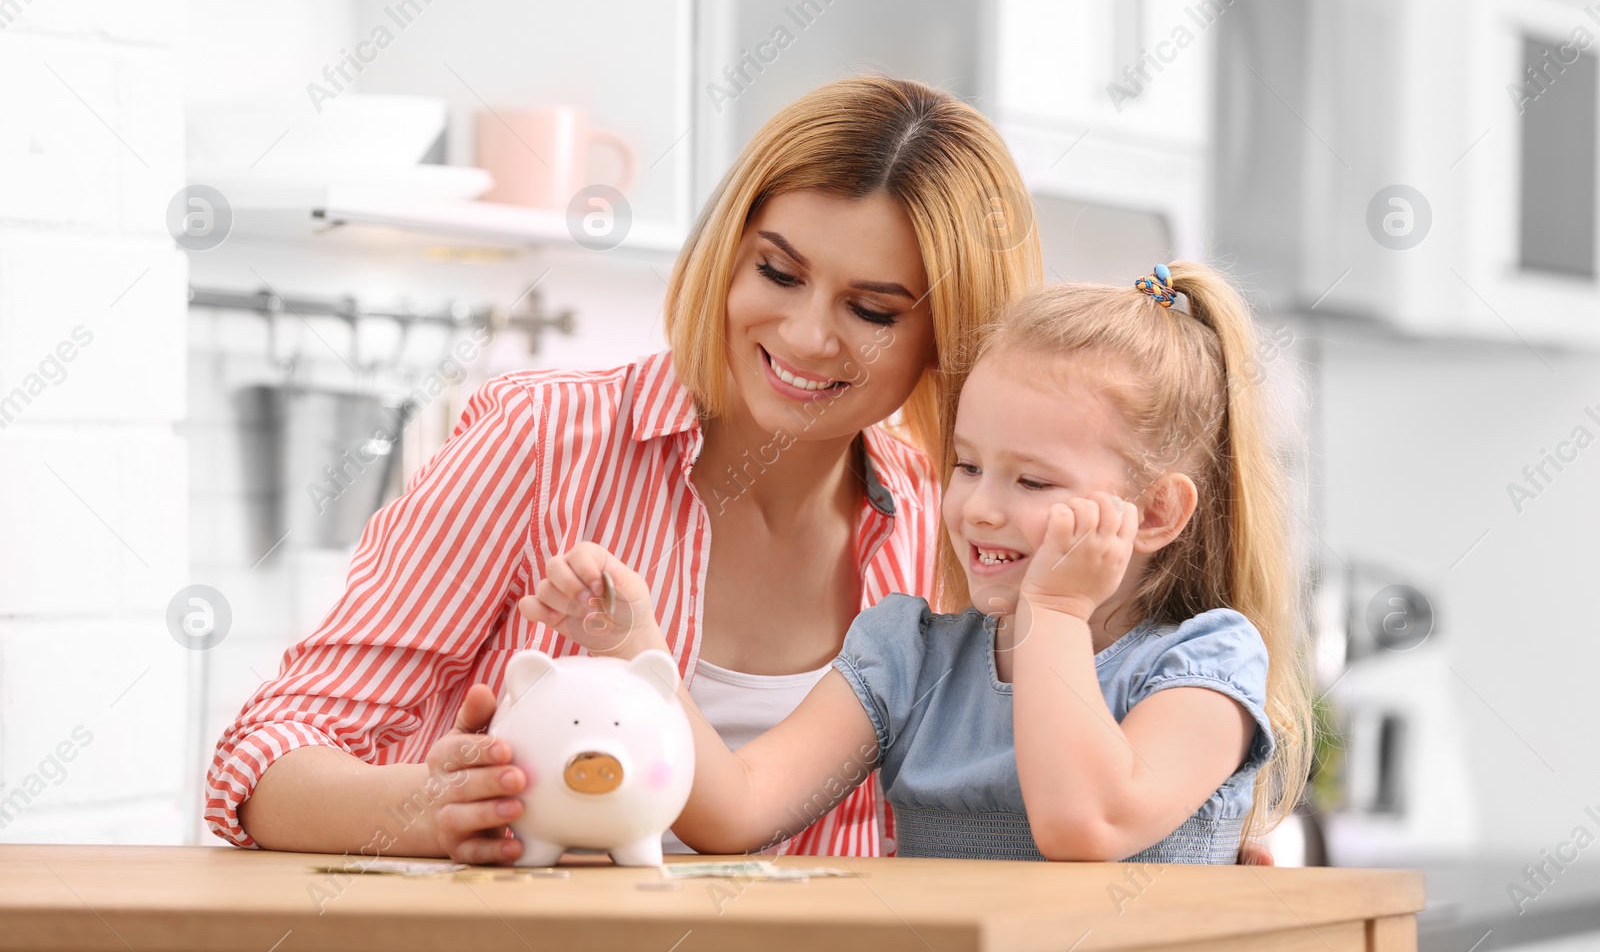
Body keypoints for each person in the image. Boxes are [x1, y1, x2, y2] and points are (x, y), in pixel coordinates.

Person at [205, 75, 1043, 862]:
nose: (804, 334)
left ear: (951, 338)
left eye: (871, 310)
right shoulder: (543, 442)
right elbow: (264, 761)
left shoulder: (953, 523)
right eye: (777, 271)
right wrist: (431, 807)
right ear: (729, 252)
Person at [528, 263, 1313, 862]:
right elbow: (735, 810)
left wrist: (1058, 613)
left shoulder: (1202, 664)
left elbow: (1085, 823)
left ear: (1156, 514)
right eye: (967, 465)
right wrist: (639, 651)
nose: (979, 507)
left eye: (1032, 480)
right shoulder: (908, 653)